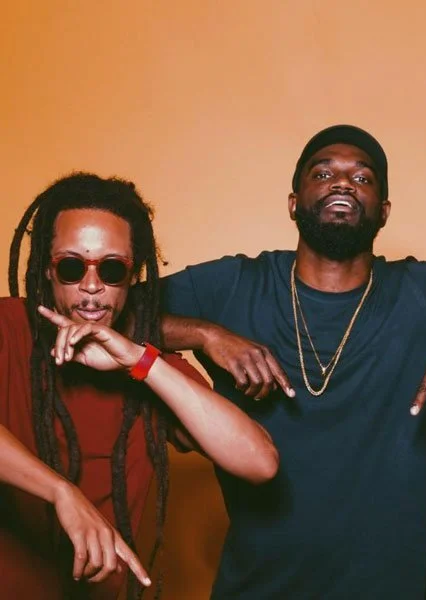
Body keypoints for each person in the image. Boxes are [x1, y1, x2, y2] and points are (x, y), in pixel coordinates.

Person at [159, 125, 426, 599]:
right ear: (294, 202)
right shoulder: (235, 284)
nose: (342, 182)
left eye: (362, 178)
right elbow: (108, 314)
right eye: (323, 173)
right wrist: (204, 336)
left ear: (384, 212)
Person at [0, 173, 278, 600]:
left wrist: (140, 361)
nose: (92, 286)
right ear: (47, 270)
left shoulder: (147, 366)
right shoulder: (9, 327)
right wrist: (61, 492)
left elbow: (259, 463)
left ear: (133, 277)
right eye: (72, 267)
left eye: (112, 269)